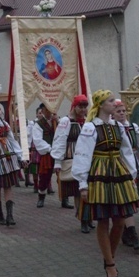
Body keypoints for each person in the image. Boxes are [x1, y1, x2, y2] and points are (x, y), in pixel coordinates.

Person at [72, 90, 139, 277]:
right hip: (99, 174)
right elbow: (82, 154)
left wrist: (132, 175)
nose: (114, 103)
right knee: (103, 220)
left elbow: (126, 150)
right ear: (101, 105)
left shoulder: (118, 126)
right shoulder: (90, 128)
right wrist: (82, 183)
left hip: (117, 173)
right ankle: (110, 263)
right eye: (110, 101)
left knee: (119, 220)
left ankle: (109, 255)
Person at [113, 99, 139, 250]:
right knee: (125, 198)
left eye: (123, 111)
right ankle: (129, 232)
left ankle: (128, 231)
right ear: (113, 113)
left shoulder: (133, 127)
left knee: (134, 197)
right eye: (118, 111)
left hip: (136, 162)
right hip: (119, 164)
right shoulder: (112, 128)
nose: (121, 114)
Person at [51, 94, 92, 232]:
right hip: (71, 159)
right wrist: (57, 162)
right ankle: (83, 219)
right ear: (74, 107)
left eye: (85, 107)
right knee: (78, 191)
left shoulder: (87, 122)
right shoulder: (66, 121)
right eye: (80, 106)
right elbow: (60, 140)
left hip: (86, 159)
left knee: (88, 189)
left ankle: (86, 216)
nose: (82, 110)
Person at [33, 103, 62, 208]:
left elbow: (64, 134)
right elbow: (38, 141)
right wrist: (50, 149)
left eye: (50, 109)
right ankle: (41, 197)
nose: (49, 112)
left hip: (59, 153)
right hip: (47, 154)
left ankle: (65, 198)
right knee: (44, 176)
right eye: (46, 110)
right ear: (43, 110)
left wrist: (58, 121)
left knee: (62, 176)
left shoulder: (59, 122)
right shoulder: (38, 124)